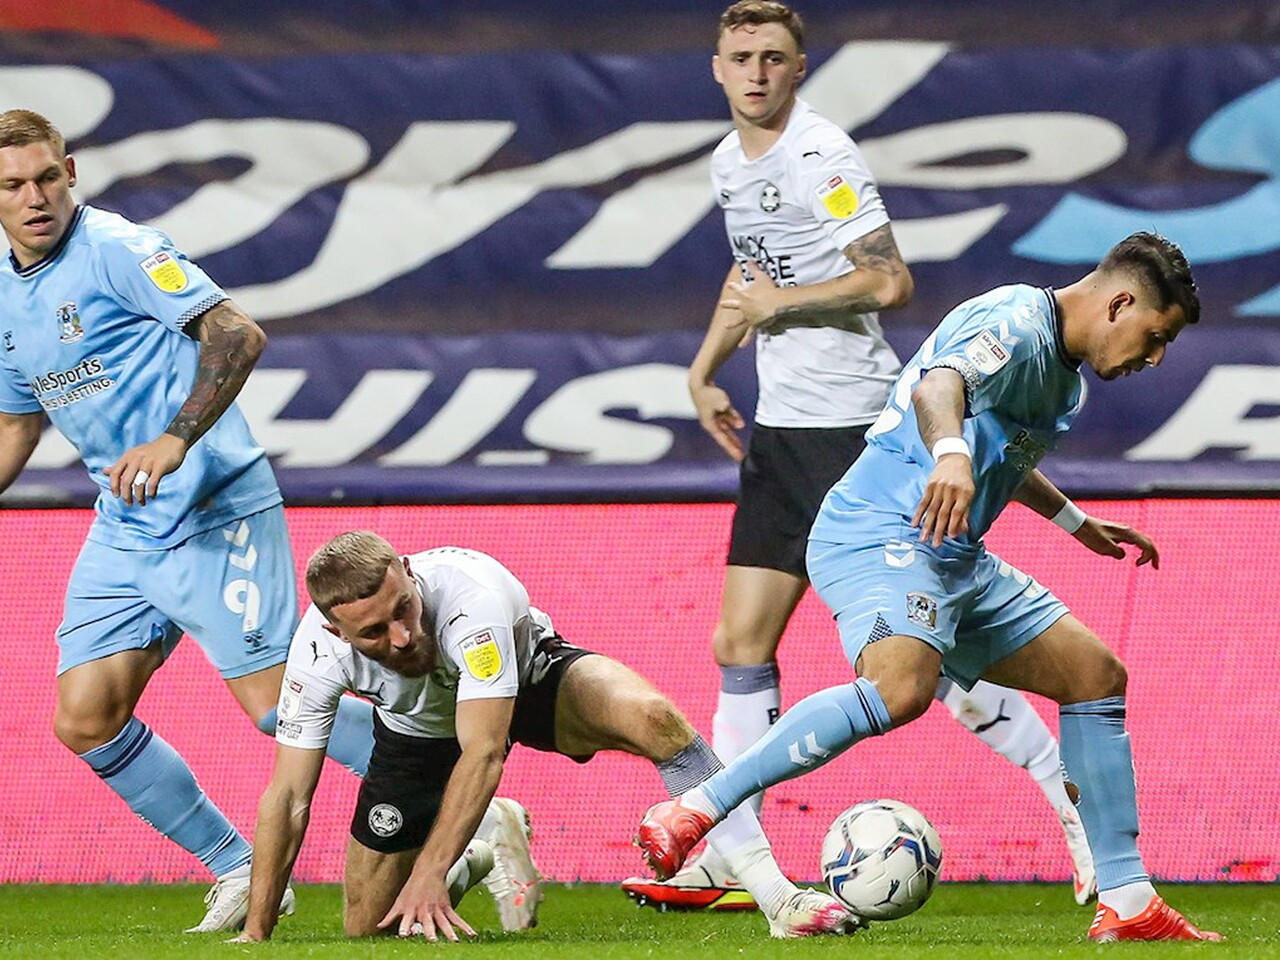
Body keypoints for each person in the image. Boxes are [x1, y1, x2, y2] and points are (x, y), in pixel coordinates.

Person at [624, 0, 1093, 912]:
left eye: (773, 57)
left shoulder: (821, 156)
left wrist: (783, 307)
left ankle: (1071, 811)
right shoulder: (729, 162)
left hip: (855, 427)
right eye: (740, 57)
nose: (756, 72)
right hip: (782, 426)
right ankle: (738, 853)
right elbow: (751, 273)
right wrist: (705, 369)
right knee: (740, 643)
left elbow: (889, 278)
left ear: (799, 68)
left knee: (932, 668)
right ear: (716, 68)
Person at [638, 232, 1220, 942]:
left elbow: (1002, 454)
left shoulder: (1063, 380)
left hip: (953, 553)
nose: (1154, 358)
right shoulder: (1014, 323)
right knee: (901, 688)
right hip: (879, 530)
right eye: (1156, 337)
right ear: (1121, 304)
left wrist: (1075, 522)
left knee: (1095, 677)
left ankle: (1128, 901)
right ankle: (698, 806)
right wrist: (948, 454)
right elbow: (938, 385)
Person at [0, 109, 377, 932]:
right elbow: (17, 423)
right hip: (125, 522)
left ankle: (467, 805)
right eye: (13, 185)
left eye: (48, 177)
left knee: (278, 705)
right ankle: (240, 867)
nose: (35, 197)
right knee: (86, 718)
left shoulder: (118, 249)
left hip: (213, 501)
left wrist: (175, 438)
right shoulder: (4, 291)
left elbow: (237, 333)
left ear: (71, 172)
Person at [235, 533, 861, 942]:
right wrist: (257, 934)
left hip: (532, 680)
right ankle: (476, 853)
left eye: (404, 608)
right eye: (374, 632)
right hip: (414, 734)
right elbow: (288, 796)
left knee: (654, 718)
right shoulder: (316, 653)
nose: (403, 637)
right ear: (336, 632)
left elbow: (485, 750)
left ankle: (780, 900)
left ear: (406, 571)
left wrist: (427, 868)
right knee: (368, 928)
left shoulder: (469, 599)